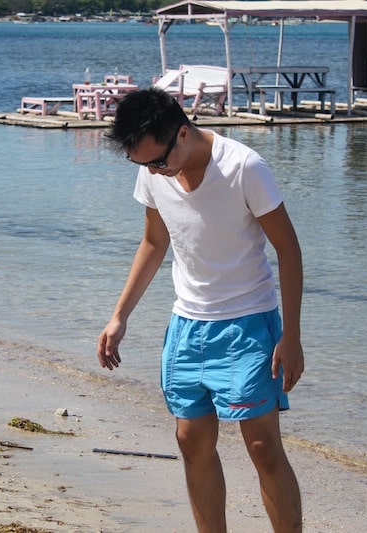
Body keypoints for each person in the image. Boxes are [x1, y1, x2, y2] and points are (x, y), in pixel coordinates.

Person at [97, 88, 304, 533]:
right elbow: (154, 242)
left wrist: (292, 336)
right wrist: (120, 316)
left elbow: (288, 249)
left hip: (249, 324)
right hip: (188, 326)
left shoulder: (245, 168)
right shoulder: (153, 171)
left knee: (263, 446)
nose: (153, 172)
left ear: (184, 134)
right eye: (142, 165)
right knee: (191, 442)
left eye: (157, 162)